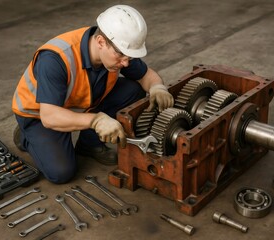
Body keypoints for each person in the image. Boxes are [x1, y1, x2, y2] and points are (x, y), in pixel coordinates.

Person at [12, 5, 174, 184]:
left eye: (129, 57)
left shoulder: (118, 52)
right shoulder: (55, 59)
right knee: (61, 172)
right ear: (100, 42)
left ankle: (89, 145)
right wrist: (96, 121)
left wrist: (157, 87)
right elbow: (49, 116)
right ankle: (27, 137)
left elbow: (146, 76)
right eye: (121, 55)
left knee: (133, 89)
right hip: (39, 115)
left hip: (79, 104)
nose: (126, 63)